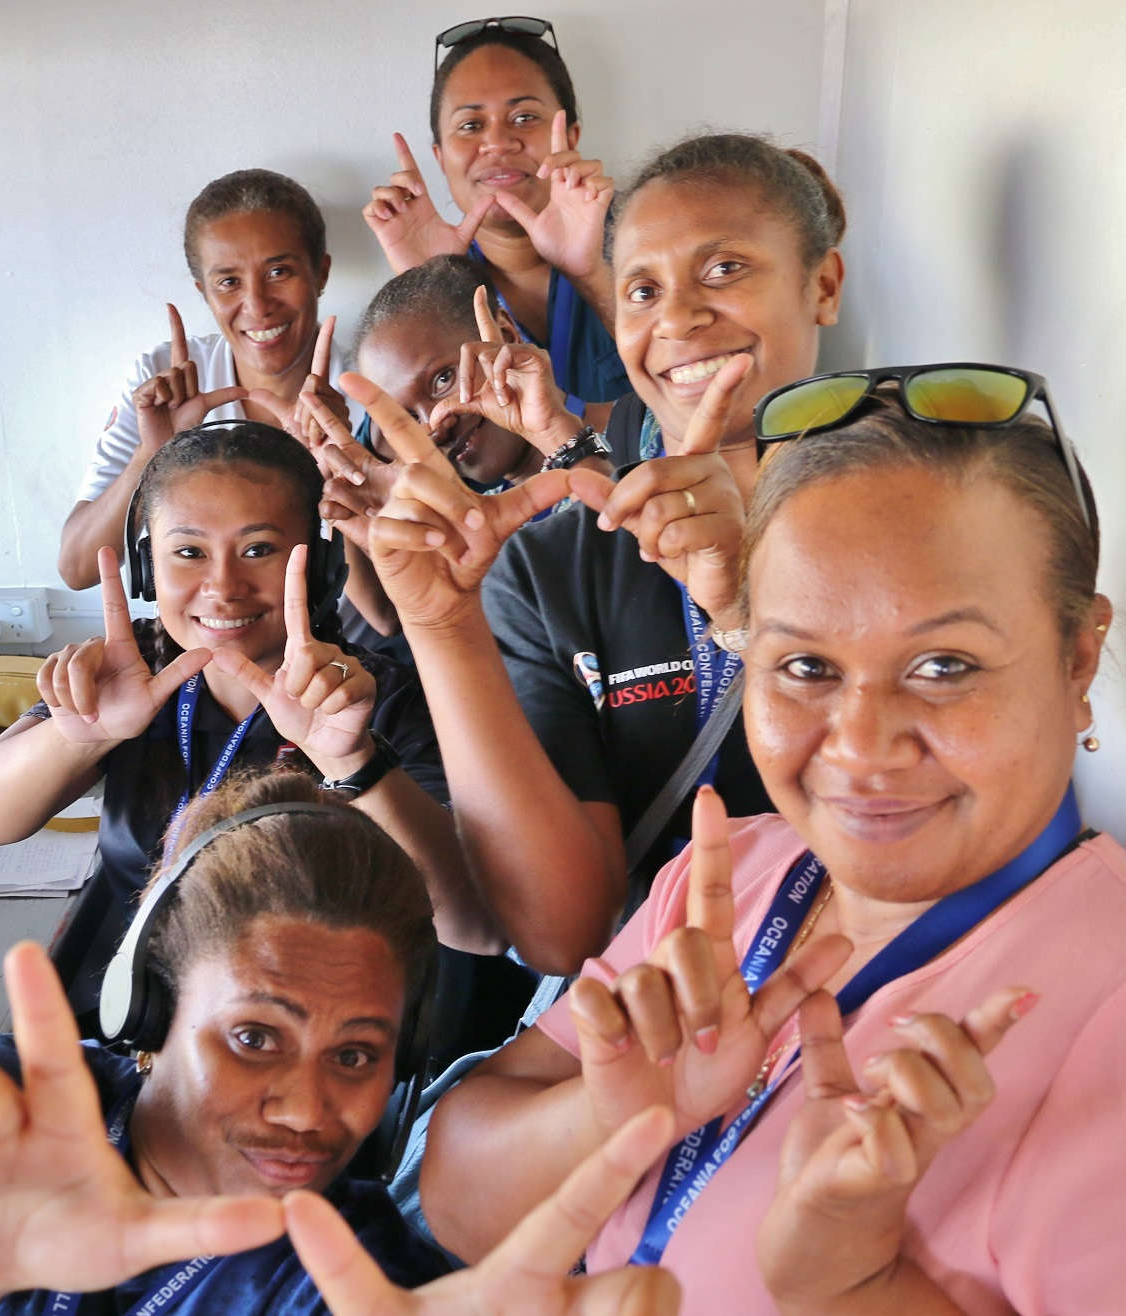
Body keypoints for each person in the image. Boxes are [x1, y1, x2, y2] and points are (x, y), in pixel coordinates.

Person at [418, 374, 1126, 1316]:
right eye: (804, 668)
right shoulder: (738, 876)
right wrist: (613, 1116)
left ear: (1077, 657)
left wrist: (849, 1292)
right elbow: (459, 1197)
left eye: (944, 666)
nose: (861, 745)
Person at [0, 774, 683, 1316]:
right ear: (149, 1006)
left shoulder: (353, 1285)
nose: (307, 1111)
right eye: (255, 1037)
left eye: (354, 1054)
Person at [347, 131, 847, 974]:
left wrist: (741, 616)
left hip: (865, 981)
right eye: (642, 289)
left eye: (724, 270)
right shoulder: (555, 564)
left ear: (823, 285)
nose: (680, 318)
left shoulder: (904, 503)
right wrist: (441, 623)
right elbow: (561, 934)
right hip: (647, 1016)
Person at [0, 421, 496, 1025]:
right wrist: (88, 732)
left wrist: (352, 759)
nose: (224, 586)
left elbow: (480, 928)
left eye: (259, 549)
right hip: (147, 1016)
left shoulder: (377, 702)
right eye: (188, 552)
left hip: (311, 1033)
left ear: (319, 565)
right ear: (147, 568)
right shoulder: (133, 677)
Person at [59, 169, 360, 591]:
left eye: (279, 272)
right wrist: (153, 455)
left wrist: (338, 471)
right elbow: (78, 568)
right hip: (202, 648)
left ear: (321, 274)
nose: (257, 305)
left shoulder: (372, 387)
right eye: (229, 282)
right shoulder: (162, 380)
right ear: (204, 292)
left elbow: (389, 615)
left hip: (342, 651)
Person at [305, 254, 595, 641]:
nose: (436, 425)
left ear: (506, 336)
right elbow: (390, 620)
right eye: (407, 416)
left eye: (443, 379)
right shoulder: (476, 513)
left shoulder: (642, 429)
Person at [364, 17, 627, 406]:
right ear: (439, 157)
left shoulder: (645, 238)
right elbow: (410, 441)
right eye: (470, 125)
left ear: (571, 136)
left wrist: (590, 274)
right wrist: (428, 286)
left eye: (524, 118)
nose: (499, 142)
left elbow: (692, 375)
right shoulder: (436, 270)